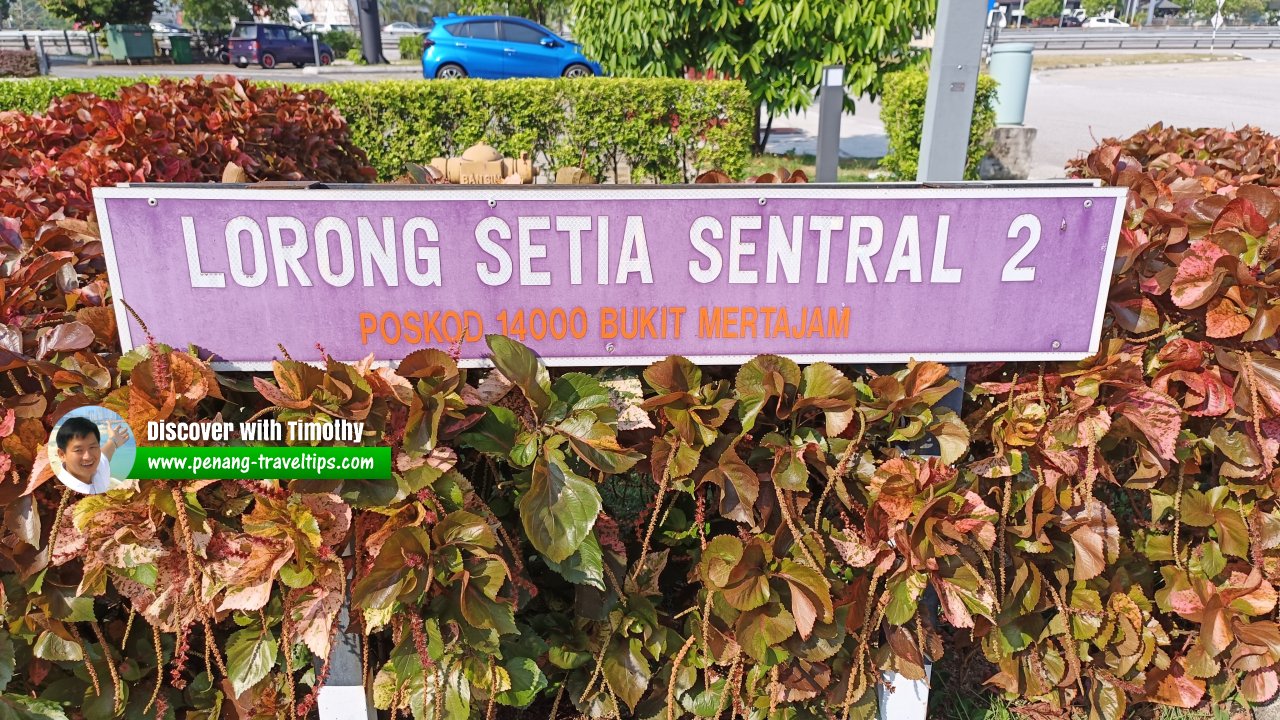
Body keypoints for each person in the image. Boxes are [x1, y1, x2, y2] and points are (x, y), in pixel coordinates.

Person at [52, 416, 130, 494]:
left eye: (92, 447)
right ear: (62, 455)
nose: (88, 457)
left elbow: (105, 454)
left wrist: (113, 440)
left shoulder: (98, 469)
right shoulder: (60, 490)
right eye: (78, 450)